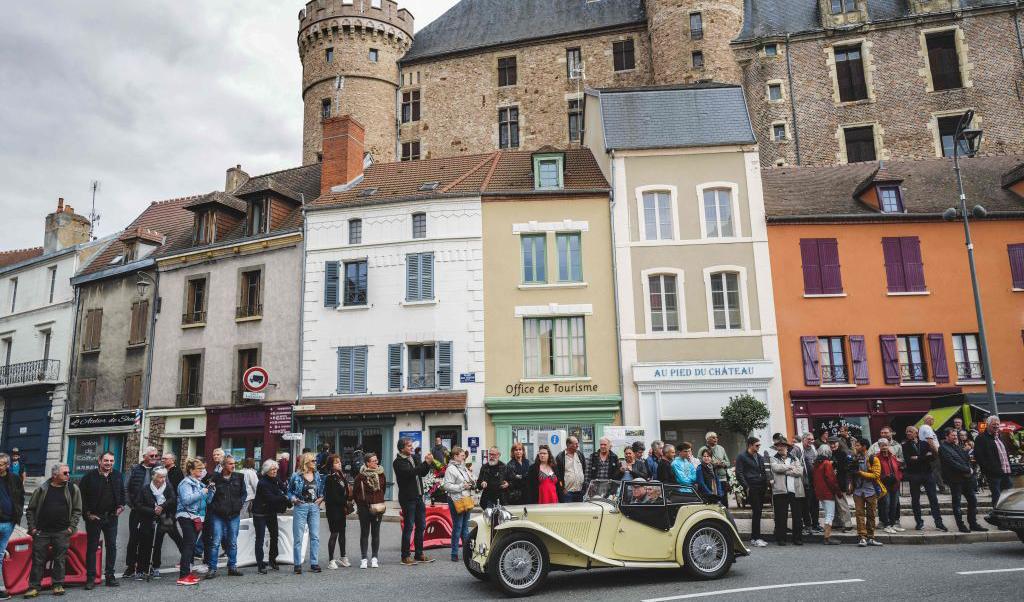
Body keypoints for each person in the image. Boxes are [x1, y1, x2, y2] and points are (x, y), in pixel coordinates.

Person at [24, 464, 81, 598]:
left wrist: (71, 528)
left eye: (68, 472)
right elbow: (31, 510)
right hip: (42, 532)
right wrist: (32, 528)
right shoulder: (42, 489)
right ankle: (34, 587)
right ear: (55, 475)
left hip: (62, 532)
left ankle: (57, 585)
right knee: (38, 560)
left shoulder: (72, 489)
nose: (68, 475)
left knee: (60, 559)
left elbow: (77, 510)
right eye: (65, 473)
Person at [79, 451, 125, 588]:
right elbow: (81, 498)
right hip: (94, 517)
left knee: (111, 546)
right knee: (92, 548)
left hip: (111, 517)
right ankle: (90, 578)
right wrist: (88, 514)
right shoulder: (89, 477)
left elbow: (123, 493)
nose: (108, 463)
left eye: (111, 461)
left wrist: (121, 506)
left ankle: (110, 576)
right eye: (106, 460)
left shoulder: (117, 475)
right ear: (99, 461)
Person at [393, 438, 435, 565]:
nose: (412, 447)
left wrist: (427, 464)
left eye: (412, 445)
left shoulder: (414, 458)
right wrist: (425, 463)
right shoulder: (398, 462)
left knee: (421, 526)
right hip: (407, 498)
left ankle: (419, 554)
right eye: (409, 446)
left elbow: (422, 473)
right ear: (402, 448)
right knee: (409, 527)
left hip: (418, 496)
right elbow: (410, 473)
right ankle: (405, 556)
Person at [938, 428, 988, 533]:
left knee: (973, 500)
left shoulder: (958, 446)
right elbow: (951, 462)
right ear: (946, 436)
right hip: (955, 479)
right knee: (957, 503)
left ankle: (973, 524)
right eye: (953, 435)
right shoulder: (943, 448)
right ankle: (961, 525)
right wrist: (967, 469)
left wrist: (970, 468)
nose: (955, 437)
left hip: (966, 478)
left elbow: (966, 459)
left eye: (956, 435)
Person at [134, 467, 177, 581]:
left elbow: (173, 500)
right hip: (147, 520)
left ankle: (155, 567)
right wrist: (152, 510)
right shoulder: (145, 489)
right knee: (144, 544)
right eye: (160, 477)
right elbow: (138, 505)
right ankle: (141, 569)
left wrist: (162, 507)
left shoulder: (168, 487)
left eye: (164, 477)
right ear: (153, 476)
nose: (163, 480)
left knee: (157, 544)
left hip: (162, 520)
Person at [175, 458, 214, 587]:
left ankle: (187, 572)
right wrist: (202, 492)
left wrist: (210, 492)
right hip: (186, 516)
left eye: (203, 469)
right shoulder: (185, 483)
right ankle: (183, 576)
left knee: (191, 546)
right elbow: (186, 500)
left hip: (197, 517)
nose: (202, 471)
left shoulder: (200, 483)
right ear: (191, 470)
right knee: (189, 545)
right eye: (199, 469)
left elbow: (207, 501)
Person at [123, 446, 159, 579]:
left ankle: (143, 567)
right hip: (137, 510)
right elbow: (125, 488)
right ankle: (130, 566)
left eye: (156, 456)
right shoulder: (134, 469)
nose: (154, 458)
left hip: (152, 511)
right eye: (151, 456)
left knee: (148, 539)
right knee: (134, 539)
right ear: (144, 457)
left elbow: (166, 487)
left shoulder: (159, 469)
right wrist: (131, 505)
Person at [207, 455, 245, 578]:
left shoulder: (239, 477)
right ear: (223, 465)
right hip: (218, 515)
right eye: (230, 463)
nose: (233, 466)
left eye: (234, 463)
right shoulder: (215, 478)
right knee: (215, 542)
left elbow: (243, 494)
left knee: (232, 542)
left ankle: (232, 567)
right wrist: (214, 506)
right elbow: (209, 497)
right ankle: (212, 568)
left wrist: (239, 504)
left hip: (234, 514)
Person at [902, 425, 946, 531]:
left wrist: (918, 458)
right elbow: (908, 460)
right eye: (907, 431)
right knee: (915, 500)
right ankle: (919, 522)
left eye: (910, 431)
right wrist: (923, 457)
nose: (908, 433)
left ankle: (939, 522)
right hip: (914, 475)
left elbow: (931, 457)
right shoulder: (904, 446)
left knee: (933, 498)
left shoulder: (924, 444)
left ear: (916, 433)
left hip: (927, 474)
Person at [288, 452, 324, 574]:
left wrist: (321, 498)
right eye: (313, 461)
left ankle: (314, 563)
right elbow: (289, 491)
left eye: (315, 460)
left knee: (315, 536)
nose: (315, 462)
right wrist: (293, 499)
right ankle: (297, 564)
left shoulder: (317, 475)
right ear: (306, 462)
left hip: (314, 507)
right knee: (298, 537)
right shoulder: (296, 476)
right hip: (301, 506)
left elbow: (321, 490)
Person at [253, 459, 288, 574]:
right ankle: (260, 564)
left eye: (276, 469)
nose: (274, 471)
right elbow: (271, 498)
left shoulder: (276, 479)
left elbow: (285, 489)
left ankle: (272, 560)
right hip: (260, 513)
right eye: (272, 469)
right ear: (266, 470)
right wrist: (284, 497)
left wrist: (286, 494)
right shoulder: (262, 483)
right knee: (260, 538)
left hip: (271, 512)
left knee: (275, 536)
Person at [353, 452, 386, 569]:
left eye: (377, 460)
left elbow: (383, 490)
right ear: (367, 463)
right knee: (364, 533)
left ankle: (374, 558)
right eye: (373, 461)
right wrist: (362, 504)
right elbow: (355, 493)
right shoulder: (360, 477)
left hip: (377, 507)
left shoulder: (381, 474)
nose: (376, 462)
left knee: (375, 533)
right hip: (364, 508)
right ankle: (364, 559)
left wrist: (378, 500)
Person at [769, 439, 804, 546]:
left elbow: (800, 471)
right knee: (781, 516)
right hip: (780, 490)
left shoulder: (794, 458)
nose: (779, 448)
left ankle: (797, 538)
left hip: (795, 490)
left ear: (787, 447)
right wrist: (790, 467)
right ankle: (781, 539)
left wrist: (786, 472)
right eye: (778, 446)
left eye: (782, 446)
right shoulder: (773, 458)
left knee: (797, 516)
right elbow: (776, 468)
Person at [851, 438, 884, 547]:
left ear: (864, 446)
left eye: (858, 445)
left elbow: (876, 475)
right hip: (858, 491)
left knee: (871, 515)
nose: (856, 447)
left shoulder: (873, 459)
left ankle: (871, 537)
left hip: (871, 491)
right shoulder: (854, 458)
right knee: (859, 514)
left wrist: (860, 473)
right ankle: (862, 537)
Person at [735, 437, 768, 547]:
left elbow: (763, 471)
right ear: (750, 445)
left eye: (759, 445)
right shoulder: (742, 457)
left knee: (758, 512)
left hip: (761, 487)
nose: (759, 447)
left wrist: (765, 483)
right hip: (751, 487)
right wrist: (746, 487)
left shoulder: (759, 457)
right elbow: (739, 473)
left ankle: (755, 537)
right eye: (757, 445)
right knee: (757, 510)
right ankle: (756, 538)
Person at [0, 453, 24, 600]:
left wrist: (17, 515)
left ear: (7, 465)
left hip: (9, 522)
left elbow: (20, 497)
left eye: (1, 464)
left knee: (0, 555)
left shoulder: (14, 479)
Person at [443, 447, 474, 562]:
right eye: (462, 455)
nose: (464, 457)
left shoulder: (463, 467)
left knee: (465, 528)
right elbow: (447, 486)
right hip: (456, 500)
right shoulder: (450, 469)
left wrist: (472, 481)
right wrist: (462, 486)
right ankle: (454, 553)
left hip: (466, 499)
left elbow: (468, 480)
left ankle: (467, 553)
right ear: (455, 456)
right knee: (458, 527)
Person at [975, 415, 1013, 506]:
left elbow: (1005, 454)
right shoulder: (981, 438)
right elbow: (979, 457)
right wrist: (990, 470)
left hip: (1006, 473)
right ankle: (997, 514)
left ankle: (1006, 513)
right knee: (997, 497)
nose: (996, 426)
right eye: (994, 424)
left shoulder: (1000, 436)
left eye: (997, 424)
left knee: (1009, 497)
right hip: (994, 475)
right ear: (988, 425)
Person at [324, 454, 351, 569]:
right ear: (331, 465)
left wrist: (348, 500)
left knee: (342, 532)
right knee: (334, 533)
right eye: (336, 462)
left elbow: (346, 491)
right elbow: (334, 497)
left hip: (341, 508)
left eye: (339, 462)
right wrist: (346, 503)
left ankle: (343, 557)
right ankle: (331, 560)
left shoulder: (341, 476)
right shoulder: (330, 478)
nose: (339, 463)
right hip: (333, 509)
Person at [812, 448, 842, 545]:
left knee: (827, 514)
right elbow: (831, 479)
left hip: (820, 492)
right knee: (830, 515)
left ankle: (827, 536)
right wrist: (838, 492)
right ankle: (827, 537)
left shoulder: (816, 463)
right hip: (828, 492)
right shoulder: (826, 463)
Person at [875, 438, 904, 533]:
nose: (884, 447)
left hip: (894, 484)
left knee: (894, 505)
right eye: (882, 445)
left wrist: (899, 477)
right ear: (879, 447)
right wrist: (884, 477)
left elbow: (898, 467)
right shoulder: (876, 458)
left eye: (886, 445)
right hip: (883, 485)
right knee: (885, 505)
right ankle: (886, 525)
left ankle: (892, 524)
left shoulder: (893, 456)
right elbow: (875, 472)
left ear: (889, 446)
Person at [794, 432, 820, 535]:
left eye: (812, 439)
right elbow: (793, 461)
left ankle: (815, 524)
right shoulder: (797, 448)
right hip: (804, 481)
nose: (811, 441)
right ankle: (807, 525)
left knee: (815, 503)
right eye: (808, 439)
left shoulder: (813, 448)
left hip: (814, 481)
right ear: (803, 439)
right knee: (806, 505)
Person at [829, 436, 854, 531]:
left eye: (834, 443)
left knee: (842, 504)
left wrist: (833, 464)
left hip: (840, 482)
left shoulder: (842, 453)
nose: (832, 445)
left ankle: (848, 524)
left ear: (838, 443)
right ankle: (837, 522)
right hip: (833, 482)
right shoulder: (832, 453)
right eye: (830, 443)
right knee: (835, 504)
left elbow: (845, 468)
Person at [698, 432, 730, 498]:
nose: (716, 439)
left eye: (716, 437)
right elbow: (699, 462)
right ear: (707, 439)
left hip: (722, 478)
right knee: (713, 498)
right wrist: (713, 464)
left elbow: (728, 463)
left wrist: (722, 464)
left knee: (724, 499)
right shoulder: (702, 449)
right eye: (713, 438)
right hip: (710, 479)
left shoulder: (721, 448)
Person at [555, 436, 587, 503]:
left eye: (577, 443)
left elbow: (585, 470)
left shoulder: (580, 455)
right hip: (567, 493)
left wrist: (584, 487)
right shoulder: (560, 457)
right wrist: (562, 489)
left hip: (580, 492)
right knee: (568, 509)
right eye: (575, 444)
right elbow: (558, 475)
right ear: (568, 444)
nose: (577, 445)